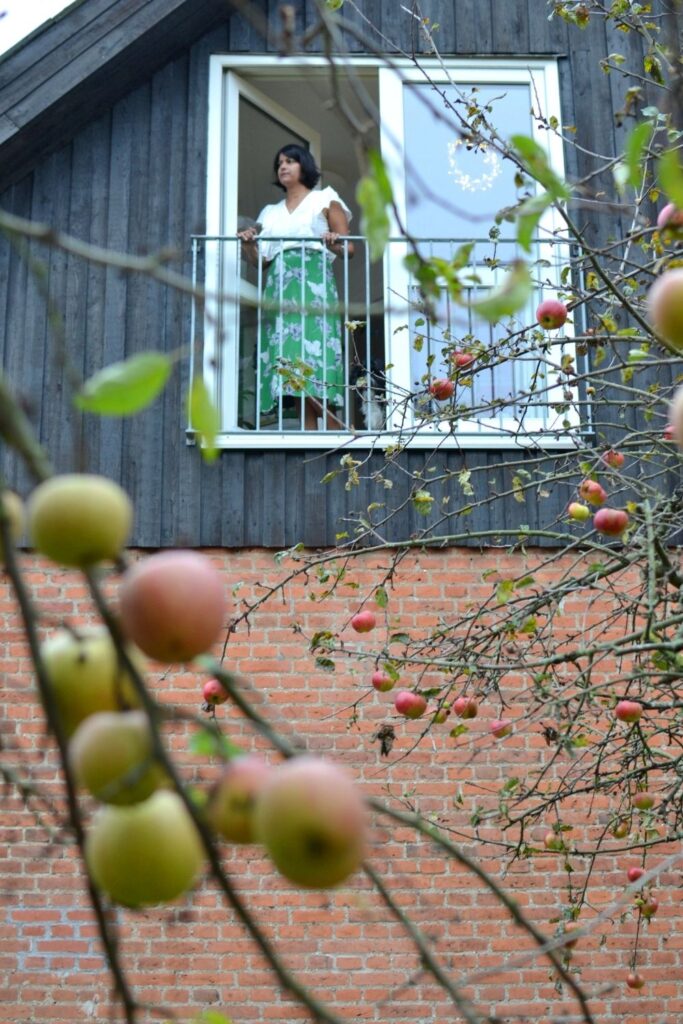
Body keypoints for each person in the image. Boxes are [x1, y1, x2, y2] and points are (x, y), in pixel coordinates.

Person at [238, 144, 354, 430]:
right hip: (280, 292)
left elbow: (349, 248)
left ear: (305, 166)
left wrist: (333, 242)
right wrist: (248, 245)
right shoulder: (270, 212)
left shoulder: (325, 199)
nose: (283, 166)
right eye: (279, 163)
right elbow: (260, 262)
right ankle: (321, 429)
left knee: (313, 359)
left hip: (313, 289)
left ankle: (332, 427)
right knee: (290, 361)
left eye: (290, 161)